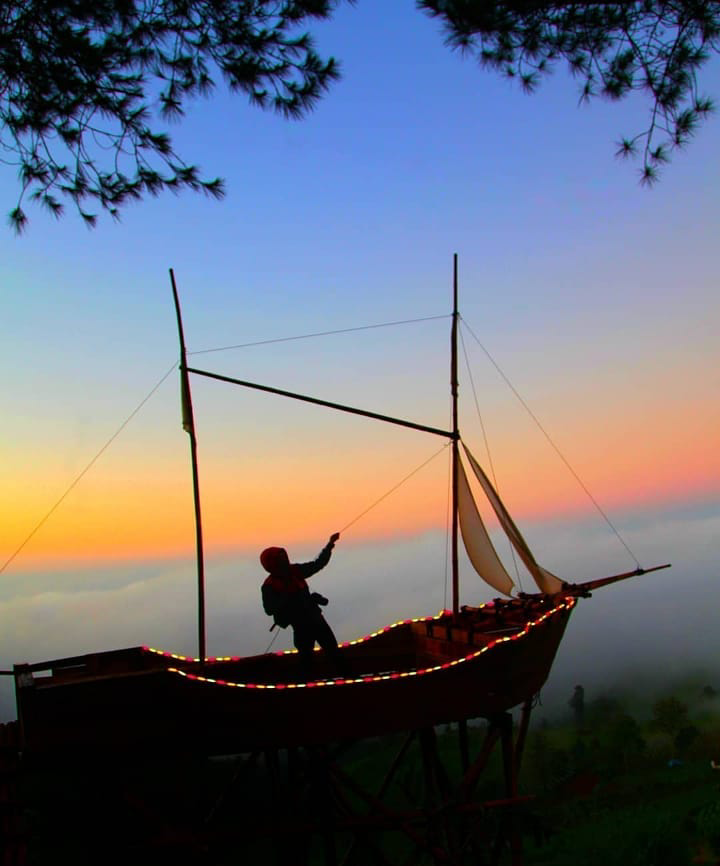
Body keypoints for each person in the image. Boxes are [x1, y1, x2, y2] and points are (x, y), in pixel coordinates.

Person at [260, 532, 346, 680]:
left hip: (316, 619)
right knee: (307, 661)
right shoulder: (269, 586)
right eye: (280, 559)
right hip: (301, 627)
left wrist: (330, 544)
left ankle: (347, 678)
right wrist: (287, 598)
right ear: (272, 564)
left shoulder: (295, 571)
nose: (285, 561)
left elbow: (317, 565)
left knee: (333, 652)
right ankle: (309, 688)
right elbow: (269, 609)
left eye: (284, 557)